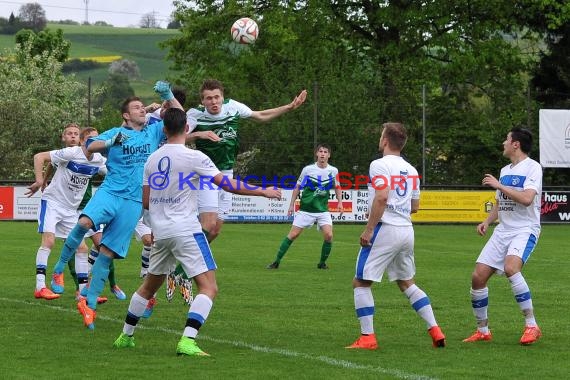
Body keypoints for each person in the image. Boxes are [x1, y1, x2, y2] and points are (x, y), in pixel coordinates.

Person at [112, 107, 281, 356]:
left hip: (160, 232)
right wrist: (263, 191)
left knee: (148, 287)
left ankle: (125, 336)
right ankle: (188, 340)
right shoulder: (195, 158)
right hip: (186, 230)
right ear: (187, 129)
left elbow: (146, 201)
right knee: (209, 287)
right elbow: (228, 185)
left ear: (164, 130)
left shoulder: (152, 159)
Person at [50, 81, 183, 329]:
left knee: (107, 252)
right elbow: (89, 146)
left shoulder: (153, 132)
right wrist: (112, 141)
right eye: (137, 107)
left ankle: (88, 305)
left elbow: (180, 119)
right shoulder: (114, 132)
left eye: (144, 107)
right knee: (84, 223)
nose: (142, 110)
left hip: (133, 202)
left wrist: (168, 95)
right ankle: (58, 269)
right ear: (126, 115)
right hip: (110, 191)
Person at [164, 80, 307, 288]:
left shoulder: (233, 108)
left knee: (215, 231)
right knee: (207, 225)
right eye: (208, 98)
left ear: (222, 97)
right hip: (206, 175)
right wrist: (199, 134)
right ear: (202, 100)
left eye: (216, 97)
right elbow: (176, 137)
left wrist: (289, 107)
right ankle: (185, 271)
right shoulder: (195, 115)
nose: (213, 101)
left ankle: (180, 270)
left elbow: (260, 116)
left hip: (227, 173)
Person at [346, 122, 445, 350]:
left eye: (381, 135)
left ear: (385, 141)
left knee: (361, 281)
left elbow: (381, 197)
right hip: (406, 230)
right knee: (406, 282)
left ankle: (367, 337)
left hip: (385, 228)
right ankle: (435, 329)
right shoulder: (411, 170)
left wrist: (369, 229)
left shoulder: (379, 165)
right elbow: (415, 206)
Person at [463, 127, 543, 345]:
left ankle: (532, 326)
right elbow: (501, 202)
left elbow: (527, 199)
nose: (503, 143)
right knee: (478, 277)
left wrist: (499, 185)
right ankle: (483, 330)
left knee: (511, 268)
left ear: (516, 144)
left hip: (525, 229)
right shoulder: (505, 170)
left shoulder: (533, 168)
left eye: (506, 139)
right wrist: (487, 221)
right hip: (503, 230)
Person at [27, 125, 106, 300]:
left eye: (98, 139)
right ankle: (40, 286)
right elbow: (40, 157)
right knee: (49, 241)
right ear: (83, 141)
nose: (97, 142)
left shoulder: (98, 159)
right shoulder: (71, 153)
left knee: (82, 248)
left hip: (71, 210)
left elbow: (114, 174)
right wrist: (40, 181)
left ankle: (83, 293)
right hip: (53, 202)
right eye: (92, 139)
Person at [266, 143, 342, 269]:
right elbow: (297, 187)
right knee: (293, 235)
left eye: (325, 152)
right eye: (320, 151)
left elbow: (338, 186)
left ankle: (322, 264)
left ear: (329, 155)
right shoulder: (308, 169)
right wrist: (291, 205)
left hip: (323, 210)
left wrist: (340, 202)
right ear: (316, 154)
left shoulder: (333, 171)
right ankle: (276, 262)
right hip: (306, 209)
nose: (322, 154)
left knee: (329, 235)